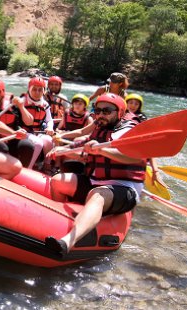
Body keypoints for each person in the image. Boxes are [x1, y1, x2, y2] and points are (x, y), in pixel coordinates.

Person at [43, 93, 146, 255]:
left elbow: (134, 156)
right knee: (57, 180)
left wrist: (102, 149)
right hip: (95, 181)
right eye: (98, 111)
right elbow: (84, 145)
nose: (101, 115)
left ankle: (67, 243)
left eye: (107, 111)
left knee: (97, 195)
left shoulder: (128, 130)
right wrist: (65, 150)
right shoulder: (99, 127)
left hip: (124, 188)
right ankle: (58, 224)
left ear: (119, 112)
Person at [0, 78, 36, 164]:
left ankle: (22, 171)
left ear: (1, 93)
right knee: (1, 147)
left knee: (27, 146)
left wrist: (21, 106)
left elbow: (29, 122)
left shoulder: (12, 105)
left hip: (11, 138)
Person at [124, 93, 167, 188]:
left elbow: (147, 141)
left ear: (139, 106)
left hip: (138, 147)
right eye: (131, 102)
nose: (133, 105)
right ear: (126, 103)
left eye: (136, 104)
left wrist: (155, 171)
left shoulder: (142, 119)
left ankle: (153, 169)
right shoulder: (119, 115)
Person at [12, 77, 55, 169]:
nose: (37, 92)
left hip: (38, 132)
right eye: (34, 89)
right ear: (29, 89)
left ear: (44, 91)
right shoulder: (22, 101)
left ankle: (47, 165)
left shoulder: (45, 104)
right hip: (24, 132)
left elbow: (49, 120)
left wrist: (50, 128)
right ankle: (29, 168)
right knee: (38, 143)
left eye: (40, 90)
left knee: (48, 140)